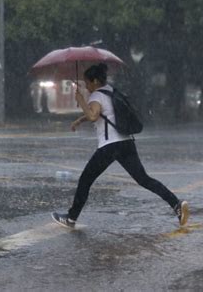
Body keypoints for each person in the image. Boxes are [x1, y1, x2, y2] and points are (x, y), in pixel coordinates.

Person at [52, 63, 189, 228]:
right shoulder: (110, 90)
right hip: (126, 143)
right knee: (144, 179)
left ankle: (71, 218)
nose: (86, 86)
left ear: (95, 81)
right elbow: (105, 113)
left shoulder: (96, 95)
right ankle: (176, 205)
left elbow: (94, 115)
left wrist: (81, 100)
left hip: (110, 147)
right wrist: (80, 120)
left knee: (85, 180)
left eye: (87, 82)